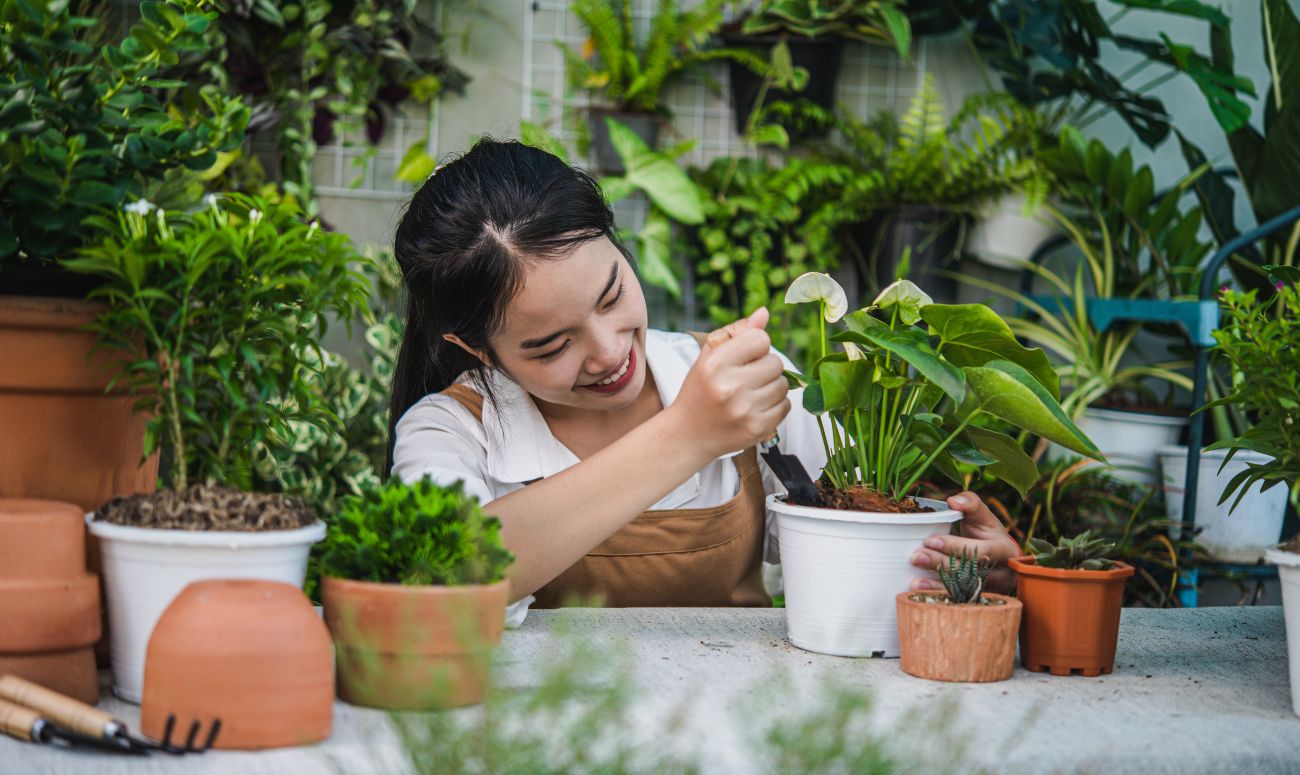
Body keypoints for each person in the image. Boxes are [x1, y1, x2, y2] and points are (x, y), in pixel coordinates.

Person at [387, 139, 1019, 625]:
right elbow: (447, 584)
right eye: (552, 345)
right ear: (476, 349)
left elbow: (856, 558)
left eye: (612, 298)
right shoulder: (448, 431)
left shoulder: (730, 383)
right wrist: (686, 436)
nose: (608, 354)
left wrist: (970, 567)